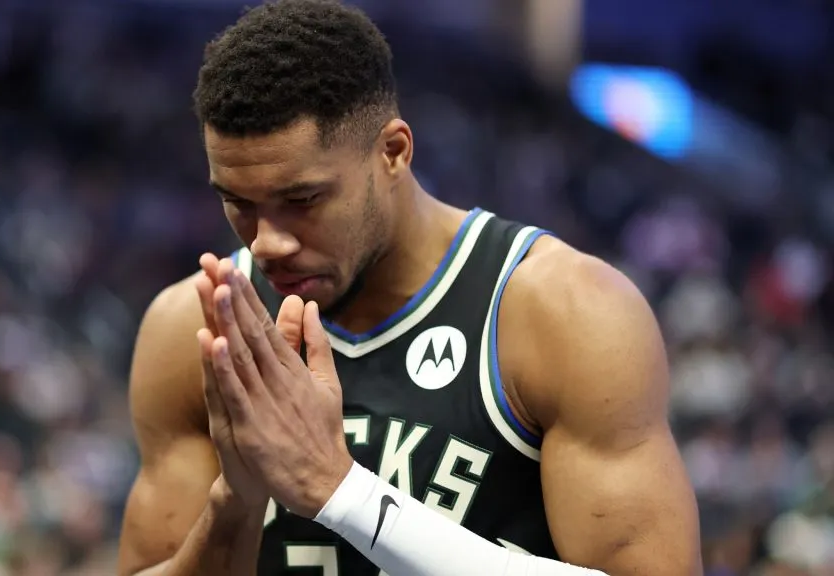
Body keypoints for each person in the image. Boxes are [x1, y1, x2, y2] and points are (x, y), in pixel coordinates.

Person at [117, 1, 703, 575]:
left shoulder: (563, 311)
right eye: (238, 203)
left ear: (393, 152)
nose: (267, 242)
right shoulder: (190, 329)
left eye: (302, 201)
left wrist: (340, 492)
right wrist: (236, 503)